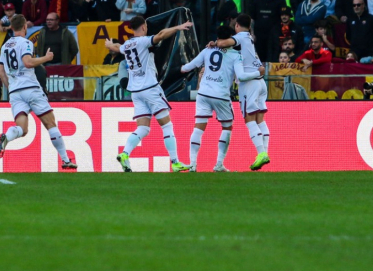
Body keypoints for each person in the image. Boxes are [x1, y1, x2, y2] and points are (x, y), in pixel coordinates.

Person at [104, 15, 192, 173]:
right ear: (144, 27)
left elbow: (118, 47)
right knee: (167, 125)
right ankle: (175, 162)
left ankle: (124, 154)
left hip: (136, 92)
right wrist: (178, 28)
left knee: (143, 128)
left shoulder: (127, 45)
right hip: (150, 88)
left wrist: (110, 45)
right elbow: (161, 35)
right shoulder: (144, 41)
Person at [0, 14, 78, 170]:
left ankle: (7, 136)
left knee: (22, 129)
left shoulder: (5, 46)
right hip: (31, 88)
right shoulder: (26, 42)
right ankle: (66, 160)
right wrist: (46, 58)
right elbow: (28, 62)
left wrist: (11, 89)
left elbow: (1, 72)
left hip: (15, 92)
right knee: (50, 123)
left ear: (11, 28)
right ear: (25, 27)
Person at [181, 25, 265, 172]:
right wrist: (258, 73)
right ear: (231, 38)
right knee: (227, 127)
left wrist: (181, 68)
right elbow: (242, 76)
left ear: (217, 37)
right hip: (221, 95)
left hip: (203, 94)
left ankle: (193, 164)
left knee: (198, 127)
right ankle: (219, 164)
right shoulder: (236, 55)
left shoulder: (207, 50)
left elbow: (187, 67)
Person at [214, 14, 270, 171]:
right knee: (260, 120)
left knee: (249, 119)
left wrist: (215, 43)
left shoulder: (240, 37)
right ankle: (264, 153)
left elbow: (223, 42)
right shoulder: (250, 38)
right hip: (260, 82)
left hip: (249, 83)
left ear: (237, 25)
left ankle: (261, 153)